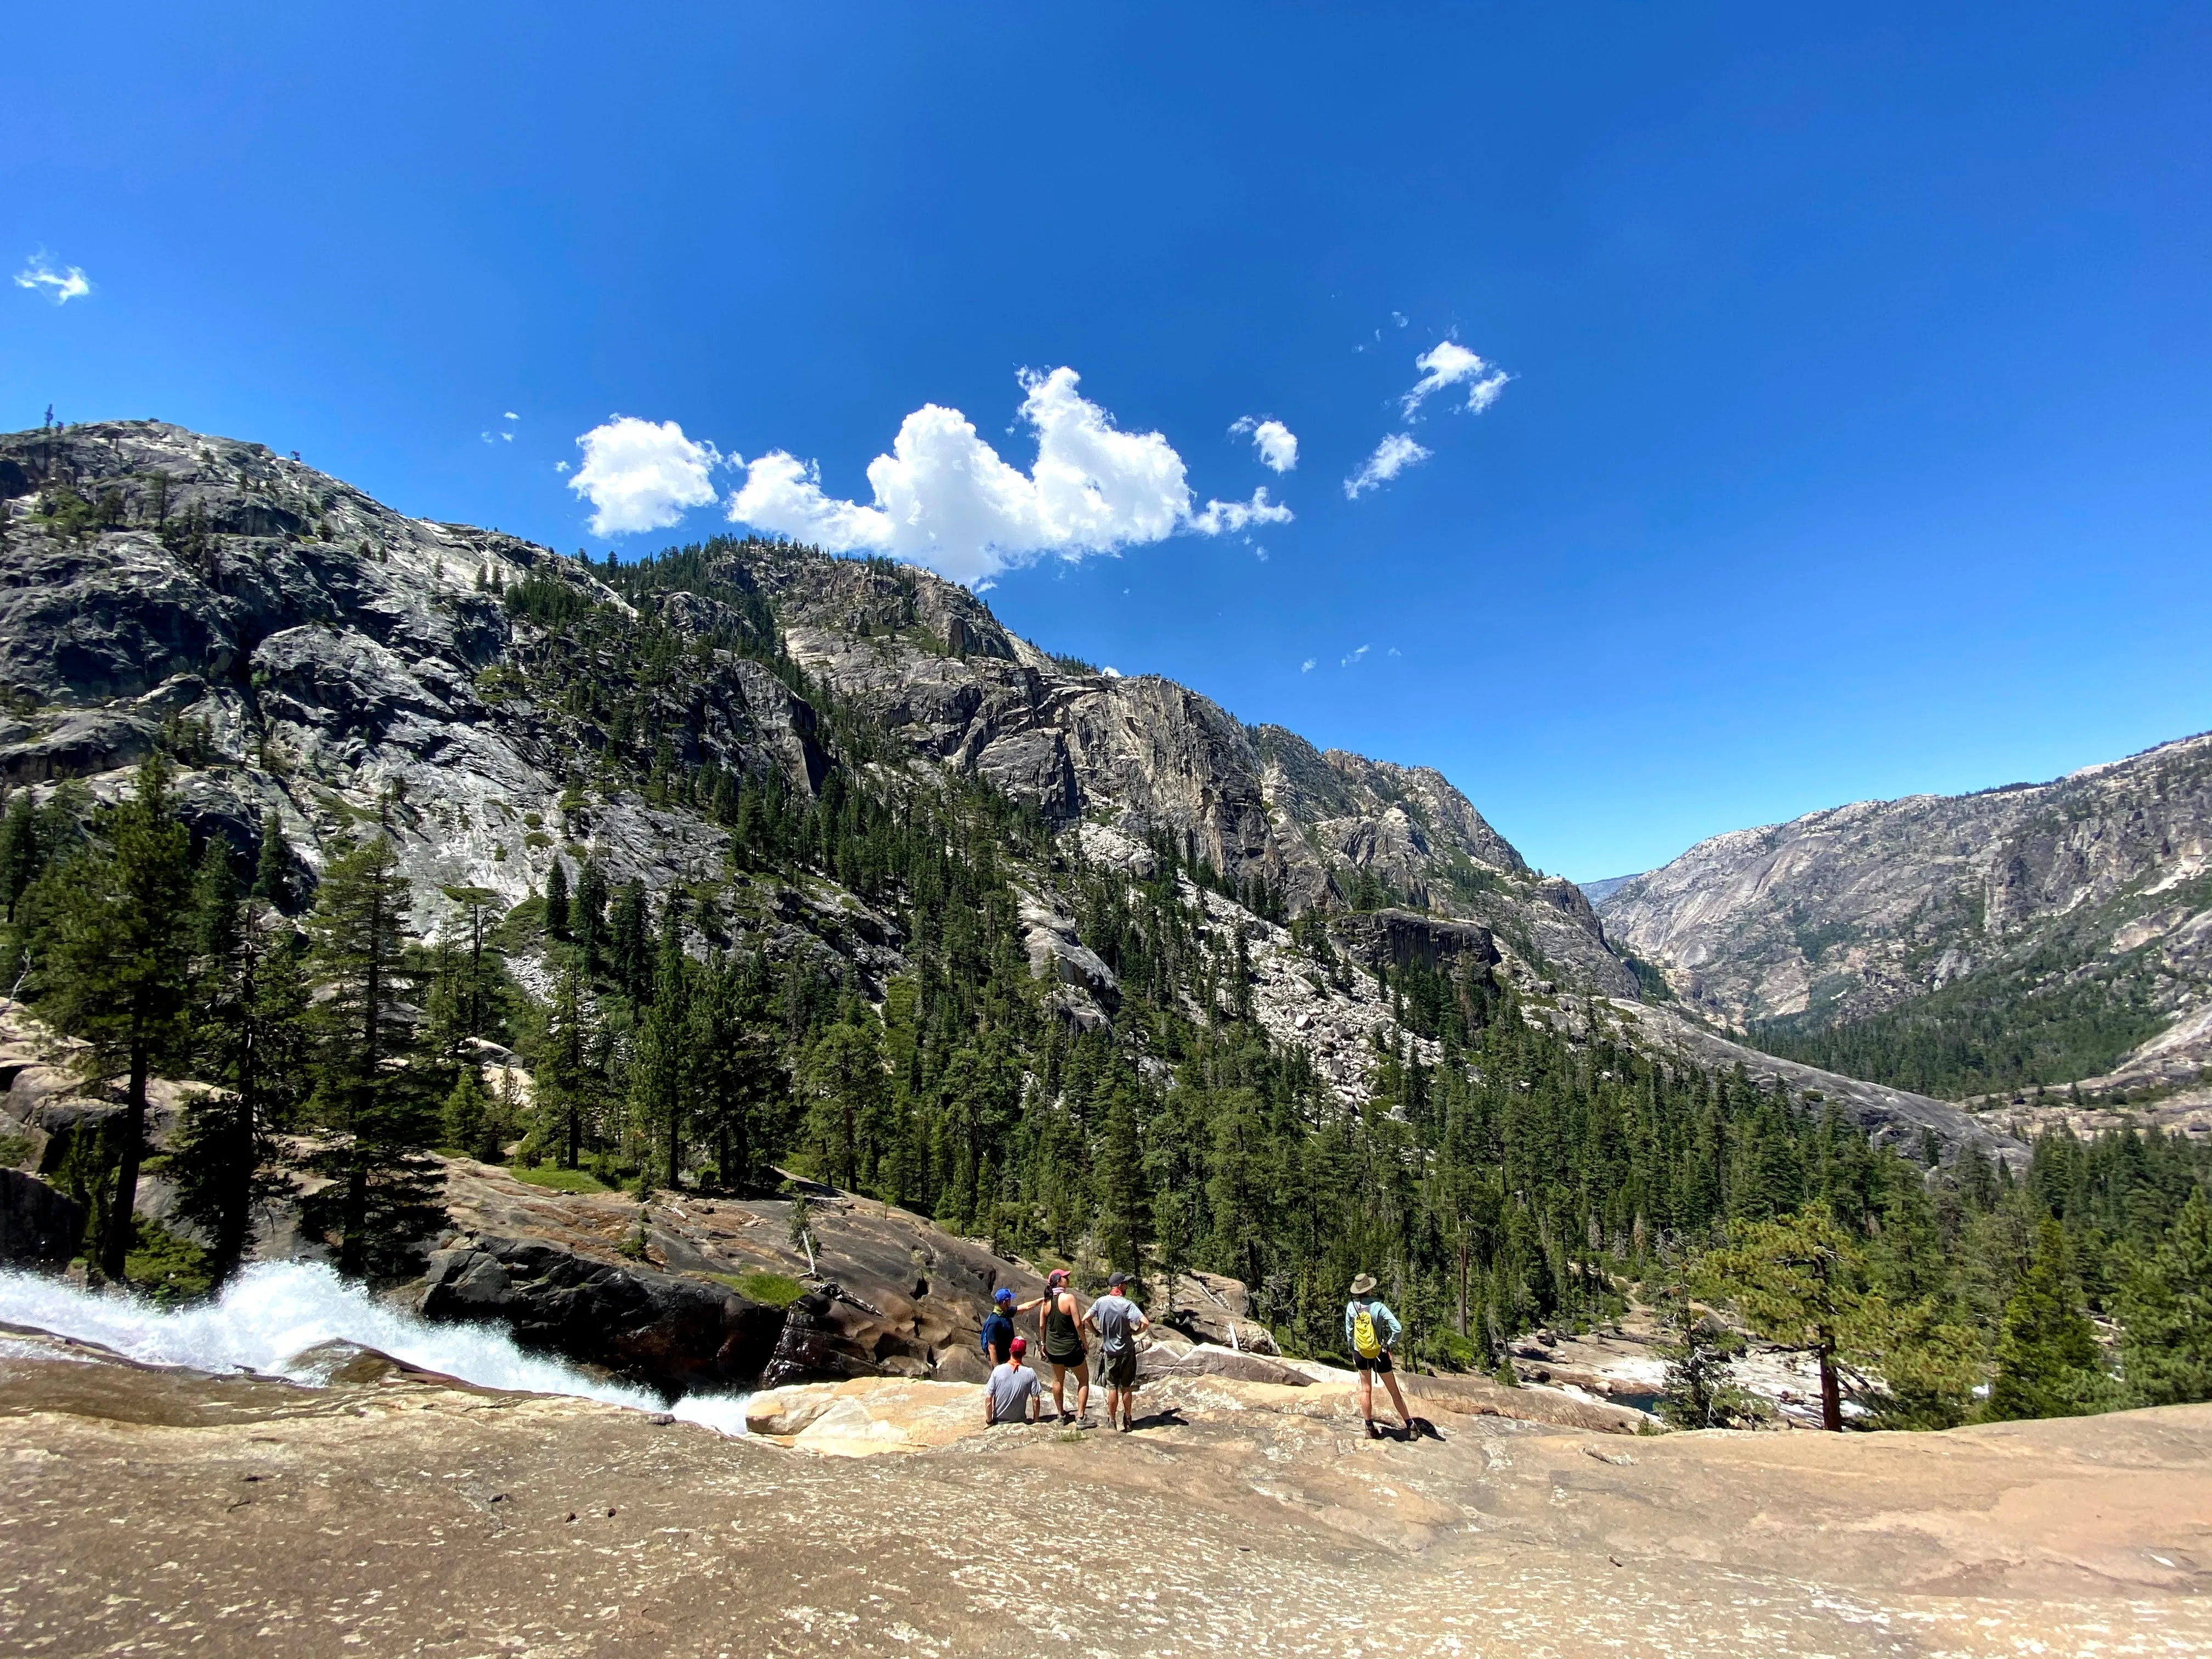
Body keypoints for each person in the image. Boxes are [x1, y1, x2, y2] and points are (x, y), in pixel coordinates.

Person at [1345, 1273, 1412, 1439]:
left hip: (1360, 1352)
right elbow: (1398, 1328)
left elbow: (1349, 1332)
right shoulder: (1378, 1307)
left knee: (1366, 1390)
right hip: (1380, 1353)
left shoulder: (1351, 1307)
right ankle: (1411, 1426)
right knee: (1394, 1392)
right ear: (1369, 1290)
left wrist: (1353, 1348)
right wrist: (1390, 1344)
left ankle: (1369, 1428)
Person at [1022, 1268, 1091, 1424]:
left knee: (1058, 1381)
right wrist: (1085, 1343)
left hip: (1054, 1349)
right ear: (1059, 1281)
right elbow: (1078, 1324)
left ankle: (1060, 1415)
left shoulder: (1046, 1302)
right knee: (1084, 1380)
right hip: (1071, 1347)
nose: (1068, 1278)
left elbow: (1041, 1326)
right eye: (1065, 1277)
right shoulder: (1069, 1298)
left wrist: (1044, 1343)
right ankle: (1081, 1417)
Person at [1085, 1270, 1149, 1432]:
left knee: (1112, 1387)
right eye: (1125, 1283)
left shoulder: (1100, 1303)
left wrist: (1096, 1332)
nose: (1127, 1285)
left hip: (1110, 1352)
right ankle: (1128, 1420)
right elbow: (1145, 1322)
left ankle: (1112, 1421)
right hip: (1127, 1350)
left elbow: (1085, 1319)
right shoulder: (1127, 1304)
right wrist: (1136, 1332)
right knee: (1127, 1387)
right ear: (1120, 1286)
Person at [983, 1335, 1044, 1426]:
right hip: (1020, 1421)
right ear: (1024, 1353)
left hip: (999, 1421)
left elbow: (989, 1399)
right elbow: (1036, 1399)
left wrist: (989, 1422)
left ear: (1010, 1350)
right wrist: (1035, 1421)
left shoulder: (998, 1370)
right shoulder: (1030, 1373)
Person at [980, 1287, 1016, 1368]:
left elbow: (1023, 1308)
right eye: (1009, 1301)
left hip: (1007, 1358)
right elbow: (992, 1348)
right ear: (1004, 1303)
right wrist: (997, 1369)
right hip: (1001, 1361)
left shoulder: (1005, 1313)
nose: (1010, 1303)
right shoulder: (995, 1321)